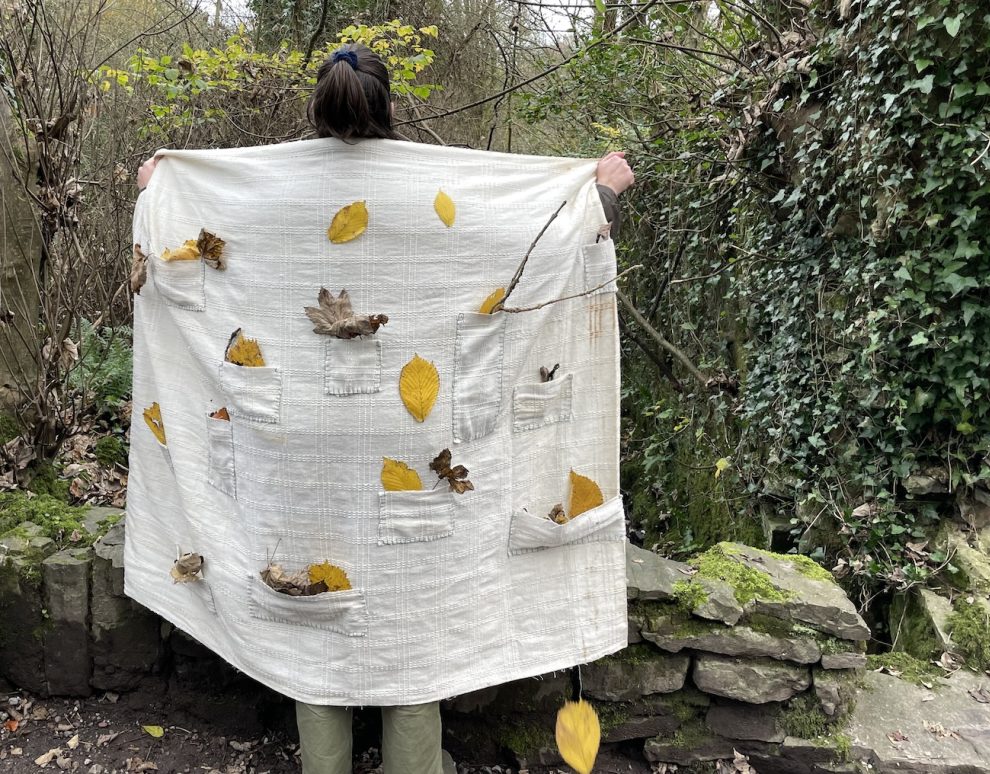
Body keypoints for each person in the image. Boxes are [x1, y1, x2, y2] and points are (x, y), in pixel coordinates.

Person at [136, 43, 633, 774]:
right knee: (411, 616)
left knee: (311, 605)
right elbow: (548, 242)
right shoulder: (443, 188)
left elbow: (191, 253)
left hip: (297, 447)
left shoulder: (266, 190)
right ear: (390, 106)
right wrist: (603, 193)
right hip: (416, 440)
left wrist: (156, 194)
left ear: (319, 106)